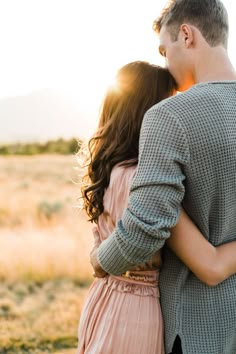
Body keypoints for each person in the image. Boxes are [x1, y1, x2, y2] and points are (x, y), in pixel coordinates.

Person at [90, 1, 236, 353]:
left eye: (164, 49)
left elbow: (146, 227)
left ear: (186, 35)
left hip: (195, 329)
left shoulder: (168, 116)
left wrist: (99, 261)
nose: (165, 63)